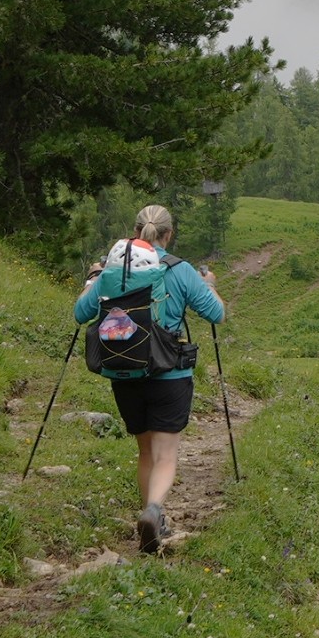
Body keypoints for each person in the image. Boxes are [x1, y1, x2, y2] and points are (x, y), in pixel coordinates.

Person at [73, 204, 224, 553]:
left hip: (123, 372)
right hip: (170, 373)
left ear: (135, 228)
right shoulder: (180, 270)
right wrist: (209, 285)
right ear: (168, 235)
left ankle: (151, 516)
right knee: (166, 453)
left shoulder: (113, 271)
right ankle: (155, 512)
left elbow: (80, 313)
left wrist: (93, 281)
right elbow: (217, 313)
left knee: (145, 451)